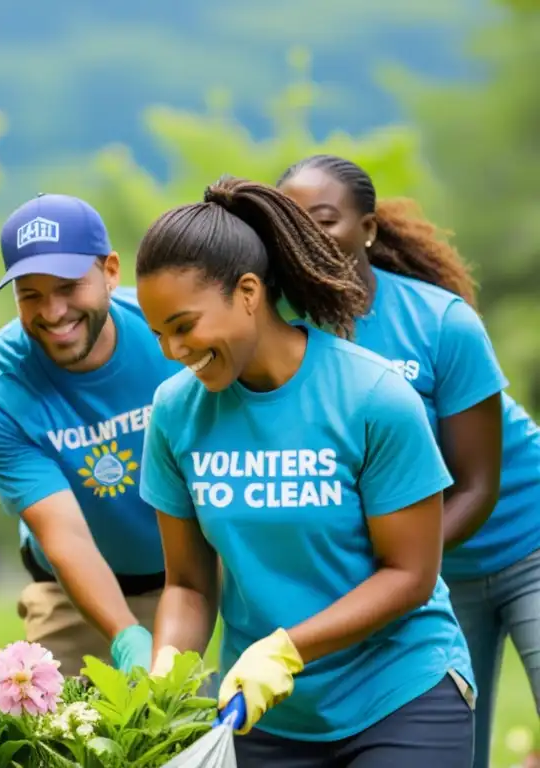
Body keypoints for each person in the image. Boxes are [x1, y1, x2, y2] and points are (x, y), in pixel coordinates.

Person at [137, 176, 476, 767]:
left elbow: (411, 574)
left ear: (247, 292)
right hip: (263, 712)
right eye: (159, 332)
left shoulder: (372, 396)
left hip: (399, 695)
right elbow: (189, 585)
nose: (173, 350)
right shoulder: (174, 412)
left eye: (185, 325)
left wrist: (290, 649)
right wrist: (167, 667)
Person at [277, 154, 540, 768]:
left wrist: (398, 566)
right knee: (454, 749)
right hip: (431, 578)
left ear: (366, 229)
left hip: (524, 538)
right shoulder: (288, 337)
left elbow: (477, 486)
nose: (311, 239)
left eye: (325, 219)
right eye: (294, 225)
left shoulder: (438, 320)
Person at [0, 193, 183, 675]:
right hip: (68, 591)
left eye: (68, 287)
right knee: (63, 739)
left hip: (195, 578)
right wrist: (126, 635)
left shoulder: (170, 333)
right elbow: (65, 538)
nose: (54, 312)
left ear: (111, 271)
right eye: (31, 295)